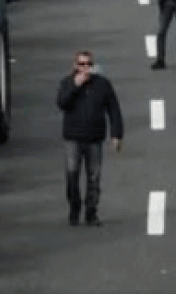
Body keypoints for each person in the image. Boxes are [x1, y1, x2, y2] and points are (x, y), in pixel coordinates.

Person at [56, 50, 123, 227]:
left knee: (94, 176)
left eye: (88, 64)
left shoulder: (103, 85)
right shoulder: (67, 83)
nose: (85, 68)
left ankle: (91, 212)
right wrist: (75, 86)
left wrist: (116, 134)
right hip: (73, 138)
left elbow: (113, 109)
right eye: (81, 64)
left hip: (94, 138)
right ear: (75, 66)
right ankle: (74, 208)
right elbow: (62, 103)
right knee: (72, 174)